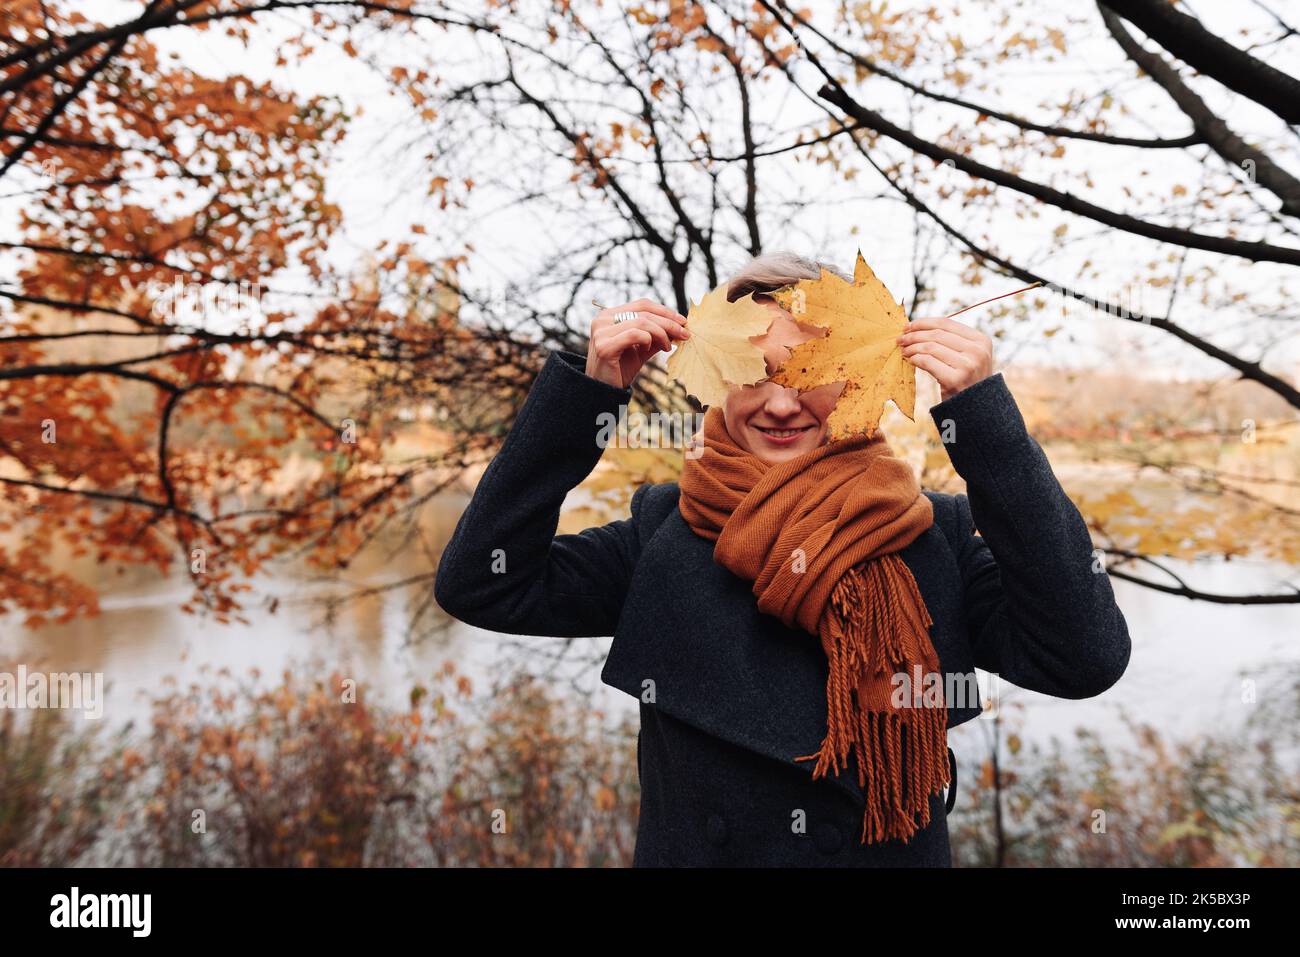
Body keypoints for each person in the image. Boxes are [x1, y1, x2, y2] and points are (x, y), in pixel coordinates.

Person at [434, 250, 1131, 867]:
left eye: (806, 372)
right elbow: (482, 582)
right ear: (714, 376)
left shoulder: (930, 536)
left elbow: (1084, 655)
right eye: (752, 373)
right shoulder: (663, 532)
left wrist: (985, 425)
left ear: (855, 377)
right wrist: (586, 400)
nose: (779, 404)